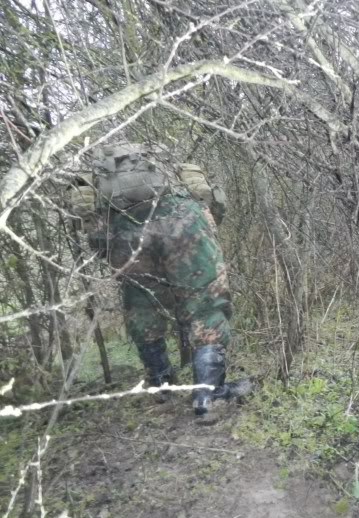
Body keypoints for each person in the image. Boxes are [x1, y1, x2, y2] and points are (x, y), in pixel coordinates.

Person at [71, 142, 238, 416]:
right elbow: (211, 211)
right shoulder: (171, 178)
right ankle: (209, 397)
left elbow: (96, 242)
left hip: (123, 235)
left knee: (141, 309)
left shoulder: (110, 205)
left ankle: (162, 386)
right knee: (205, 307)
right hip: (182, 225)